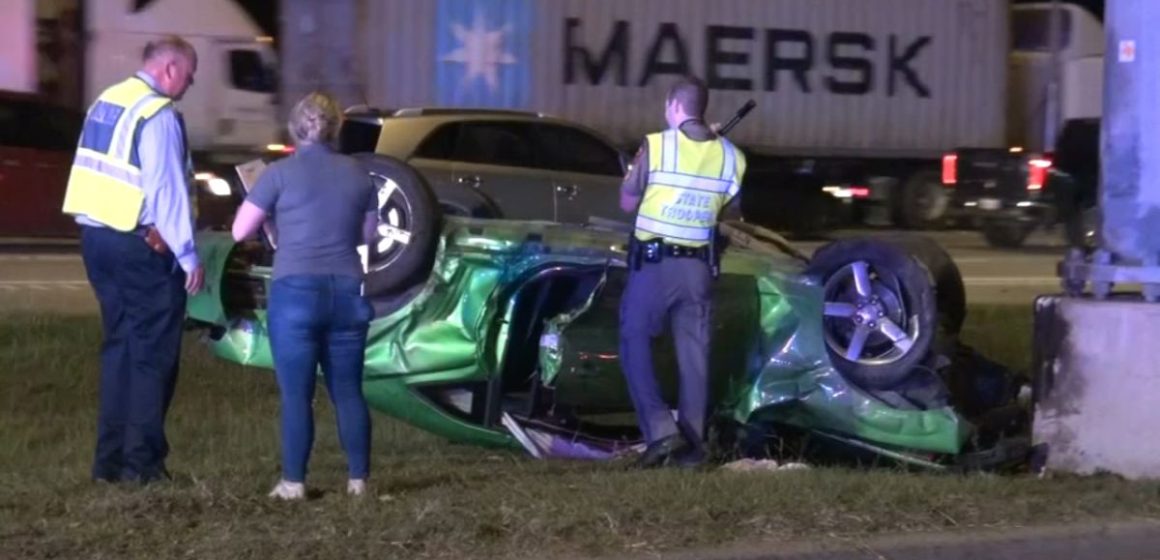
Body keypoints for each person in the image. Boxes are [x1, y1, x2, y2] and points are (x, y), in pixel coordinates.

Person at [62, 35, 205, 484]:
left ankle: (108, 464)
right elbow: (166, 190)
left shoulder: (107, 101)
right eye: (189, 73)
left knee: (119, 350)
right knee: (152, 357)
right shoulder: (156, 115)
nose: (192, 81)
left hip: (97, 241)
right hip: (140, 246)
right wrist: (187, 254)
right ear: (168, 70)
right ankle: (142, 467)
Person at [231, 91, 379, 500]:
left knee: (297, 395)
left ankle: (294, 482)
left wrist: (274, 225)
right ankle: (358, 481)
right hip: (348, 292)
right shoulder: (360, 175)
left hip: (295, 294)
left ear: (296, 129)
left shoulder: (277, 175)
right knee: (348, 390)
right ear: (336, 128)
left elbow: (240, 231)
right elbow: (365, 237)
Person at [618, 75, 747, 469]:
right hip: (699, 271)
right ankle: (691, 451)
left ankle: (660, 432)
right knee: (695, 360)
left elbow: (627, 202)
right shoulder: (732, 157)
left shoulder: (656, 146)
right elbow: (731, 211)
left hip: (656, 268)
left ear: (674, 106)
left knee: (632, 337)